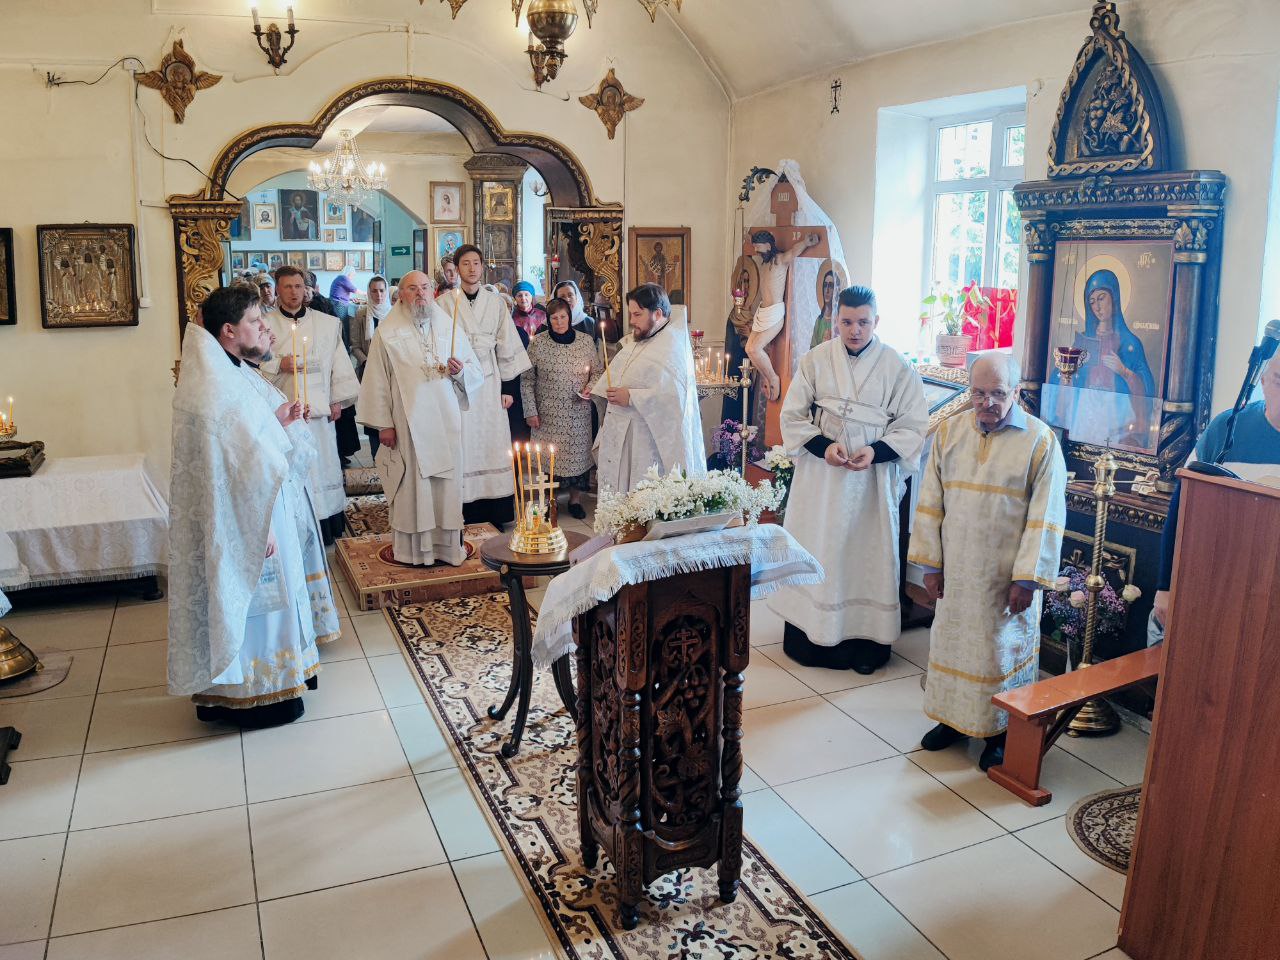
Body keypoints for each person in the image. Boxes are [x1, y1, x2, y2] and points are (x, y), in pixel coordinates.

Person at [168, 285, 340, 728]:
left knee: (273, 604)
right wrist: (254, 527)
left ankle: (279, 682)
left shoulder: (231, 370)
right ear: (229, 330)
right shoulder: (212, 386)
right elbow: (227, 467)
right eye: (255, 321)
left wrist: (280, 420)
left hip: (260, 508)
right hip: (246, 518)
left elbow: (249, 439)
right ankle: (254, 695)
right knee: (256, 606)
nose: (265, 328)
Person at [908, 354, 1067, 771]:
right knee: (953, 645)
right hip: (957, 572)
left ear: (1016, 391)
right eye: (978, 393)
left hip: (1004, 578)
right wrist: (931, 565)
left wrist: (1027, 580)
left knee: (999, 654)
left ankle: (1001, 733)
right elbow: (931, 500)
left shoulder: (1039, 441)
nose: (987, 402)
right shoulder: (949, 432)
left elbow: (1046, 517)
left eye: (997, 393)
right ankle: (952, 720)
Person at [769, 286, 929, 673]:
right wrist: (824, 446)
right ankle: (810, 640)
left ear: (876, 321)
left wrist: (876, 452)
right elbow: (792, 416)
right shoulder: (815, 360)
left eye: (863, 322)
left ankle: (865, 647)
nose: (855, 330)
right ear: (835, 321)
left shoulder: (898, 367)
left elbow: (913, 425)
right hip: (822, 478)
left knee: (865, 553)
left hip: (871, 480)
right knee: (819, 545)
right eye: (847, 322)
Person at [356, 271, 484, 565]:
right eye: (412, 289)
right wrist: (384, 425)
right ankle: (413, 551)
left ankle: (447, 548)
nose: (420, 294)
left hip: (446, 422)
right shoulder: (387, 332)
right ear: (401, 294)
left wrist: (460, 372)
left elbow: (473, 369)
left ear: (432, 291)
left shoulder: (448, 325)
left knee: (446, 487)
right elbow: (376, 380)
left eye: (425, 287)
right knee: (414, 488)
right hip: (407, 424)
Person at [1150, 355, 1280, 638]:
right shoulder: (1227, 428)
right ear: (1263, 380)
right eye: (1279, 380)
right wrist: (1165, 586)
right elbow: (1182, 506)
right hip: (1215, 584)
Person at [259, 265, 360, 544]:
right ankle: (293, 526)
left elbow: (339, 362)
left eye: (298, 286)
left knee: (322, 466)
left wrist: (337, 399)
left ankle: (326, 524)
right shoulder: (264, 324)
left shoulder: (327, 323)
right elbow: (251, 363)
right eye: (287, 287)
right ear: (277, 290)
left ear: (306, 290)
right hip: (284, 416)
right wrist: (278, 364)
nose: (294, 292)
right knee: (292, 469)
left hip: (319, 412)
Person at [592, 283, 706, 493]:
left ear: (658, 314)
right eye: (631, 314)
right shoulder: (643, 338)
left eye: (637, 314)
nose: (632, 321)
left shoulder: (672, 347)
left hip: (646, 444)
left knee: (639, 498)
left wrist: (631, 397)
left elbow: (674, 401)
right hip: (622, 434)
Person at [446, 244, 531, 526]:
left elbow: (508, 346)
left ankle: (497, 510)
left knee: (491, 440)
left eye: (476, 263)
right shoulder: (444, 303)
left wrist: (508, 388)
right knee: (464, 441)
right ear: (457, 268)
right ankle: (465, 509)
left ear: (482, 267)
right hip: (458, 383)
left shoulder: (495, 304)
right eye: (465, 263)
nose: (471, 268)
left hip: (490, 381)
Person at [521, 297, 604, 520]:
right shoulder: (538, 343)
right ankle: (551, 501)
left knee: (578, 459)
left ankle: (575, 501)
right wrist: (530, 411)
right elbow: (527, 379)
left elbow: (597, 372)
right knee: (549, 460)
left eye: (563, 317)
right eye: (554, 318)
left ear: (570, 316)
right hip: (547, 415)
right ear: (548, 320)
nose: (559, 322)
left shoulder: (585, 341)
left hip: (578, 412)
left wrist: (589, 388)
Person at [747, 229, 820, 401]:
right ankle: (767, 377)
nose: (756, 251)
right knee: (749, 349)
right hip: (762, 312)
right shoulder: (764, 264)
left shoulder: (780, 260)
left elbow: (793, 252)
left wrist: (806, 242)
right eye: (755, 247)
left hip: (774, 314)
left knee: (755, 349)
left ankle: (773, 378)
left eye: (758, 247)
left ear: (768, 245)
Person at [352, 275, 394, 457]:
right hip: (368, 372)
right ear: (369, 293)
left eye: (382, 290)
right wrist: (367, 362)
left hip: (391, 372)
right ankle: (377, 458)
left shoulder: (394, 314)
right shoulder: (361, 314)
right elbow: (355, 346)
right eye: (374, 291)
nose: (378, 295)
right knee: (373, 414)